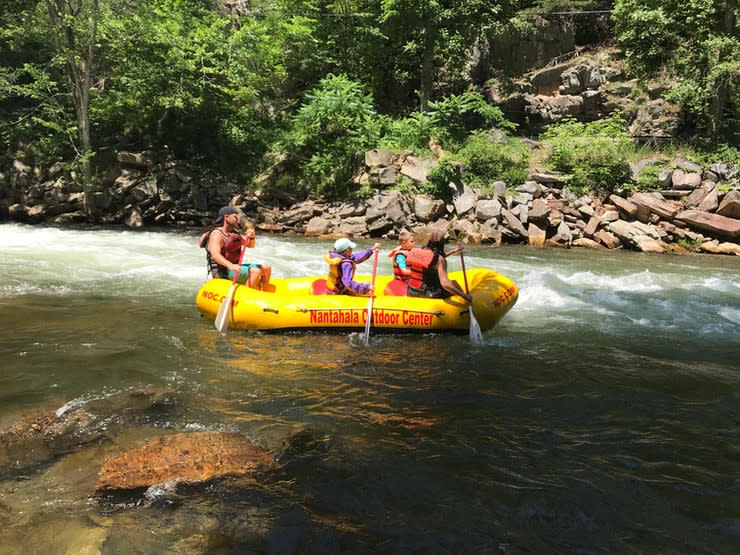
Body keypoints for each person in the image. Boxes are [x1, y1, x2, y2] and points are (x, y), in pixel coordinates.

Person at [199, 206, 272, 290]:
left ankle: (266, 292)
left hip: (233, 268)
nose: (237, 219)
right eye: (235, 216)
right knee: (255, 271)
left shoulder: (234, 233)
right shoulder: (217, 235)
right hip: (222, 271)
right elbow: (215, 255)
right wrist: (230, 265)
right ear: (226, 217)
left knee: (266, 268)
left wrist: (252, 237)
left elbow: (250, 245)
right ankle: (247, 296)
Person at [405, 230, 472, 302]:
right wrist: (464, 296)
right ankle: (463, 304)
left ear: (429, 241)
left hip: (411, 292)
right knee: (453, 283)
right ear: (442, 243)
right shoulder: (440, 260)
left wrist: (454, 251)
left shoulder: (419, 250)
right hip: (428, 294)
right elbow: (445, 283)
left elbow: (433, 259)